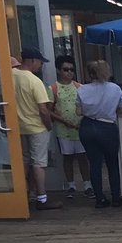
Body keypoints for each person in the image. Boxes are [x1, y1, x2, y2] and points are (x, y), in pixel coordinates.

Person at [76, 60, 122, 208]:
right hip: (106, 126)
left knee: (94, 163)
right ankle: (116, 197)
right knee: (112, 163)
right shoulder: (115, 89)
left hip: (87, 126)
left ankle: (100, 198)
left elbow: (78, 111)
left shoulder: (82, 89)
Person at [14, 47, 58, 209]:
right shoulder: (34, 81)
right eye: (39, 62)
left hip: (17, 127)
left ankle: (24, 194)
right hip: (36, 127)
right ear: (32, 61)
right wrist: (48, 126)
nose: (40, 66)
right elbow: (43, 109)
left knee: (24, 161)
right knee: (39, 163)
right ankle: (42, 198)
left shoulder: (10, 76)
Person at [49, 55, 92, 199]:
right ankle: (71, 185)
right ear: (59, 70)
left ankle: (87, 184)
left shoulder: (80, 87)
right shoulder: (53, 88)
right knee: (67, 157)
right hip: (63, 129)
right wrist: (63, 121)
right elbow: (49, 109)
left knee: (83, 157)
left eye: (71, 70)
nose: (69, 72)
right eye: (65, 69)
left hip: (79, 127)